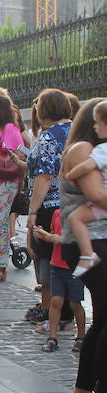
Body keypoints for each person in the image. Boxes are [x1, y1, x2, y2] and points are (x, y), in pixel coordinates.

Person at [58, 98, 107, 393]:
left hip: (96, 239)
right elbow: (99, 196)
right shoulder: (84, 149)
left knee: (102, 319)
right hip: (90, 241)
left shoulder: (89, 147)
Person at [26, 89, 74, 323]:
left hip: (51, 205)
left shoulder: (49, 137)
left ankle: (52, 311)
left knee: (47, 257)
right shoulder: (77, 130)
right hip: (75, 202)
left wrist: (33, 211)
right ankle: (69, 311)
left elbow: (44, 176)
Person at [32, 209, 86, 352]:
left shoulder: (82, 213)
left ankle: (81, 337)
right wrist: (42, 235)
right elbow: (52, 235)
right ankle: (52, 337)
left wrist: (52, 237)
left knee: (75, 303)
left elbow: (76, 239)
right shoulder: (57, 213)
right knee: (55, 301)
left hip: (73, 265)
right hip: (57, 264)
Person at [64, 100, 107, 277]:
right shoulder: (86, 149)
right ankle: (87, 255)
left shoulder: (100, 149)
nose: (97, 126)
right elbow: (96, 194)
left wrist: (71, 175)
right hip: (95, 238)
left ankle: (87, 255)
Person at [0, 94, 24, 282]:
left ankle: (1, 265)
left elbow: (19, 152)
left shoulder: (9, 128)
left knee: (0, 223)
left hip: (4, 182)